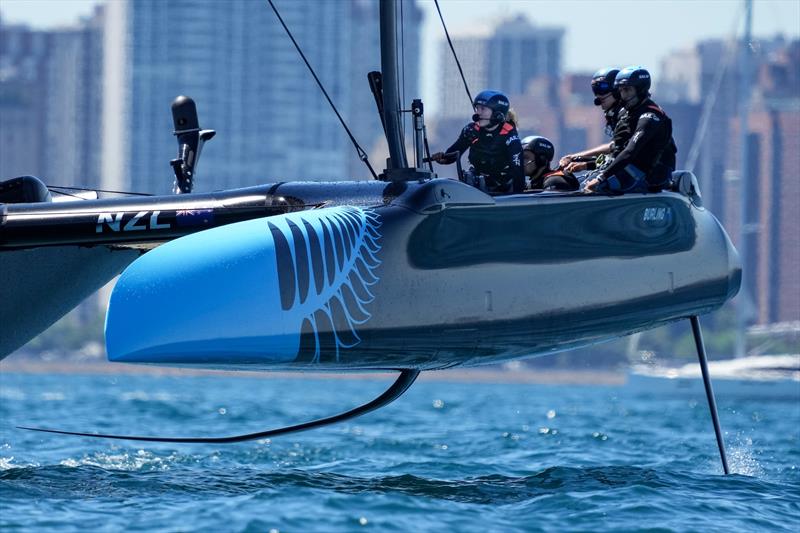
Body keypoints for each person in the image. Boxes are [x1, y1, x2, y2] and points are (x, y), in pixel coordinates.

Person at [584, 66, 677, 193]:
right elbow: (616, 154)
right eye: (621, 91)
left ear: (640, 90)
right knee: (581, 182)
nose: (624, 95)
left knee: (596, 187)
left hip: (651, 176)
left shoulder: (650, 116)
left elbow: (629, 152)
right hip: (630, 170)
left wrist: (601, 178)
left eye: (627, 90)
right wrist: (586, 164)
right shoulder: (627, 113)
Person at [430, 90, 524, 194]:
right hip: (477, 186)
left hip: (504, 191)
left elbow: (518, 174)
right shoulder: (471, 131)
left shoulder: (511, 138)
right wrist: (443, 158)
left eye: (483, 109)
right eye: (477, 108)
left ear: (498, 113)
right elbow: (452, 155)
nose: (478, 113)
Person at [558, 67, 628, 174]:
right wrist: (576, 157)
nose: (599, 100)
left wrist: (585, 165)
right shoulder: (617, 114)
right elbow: (614, 147)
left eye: (602, 99)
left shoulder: (626, 116)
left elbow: (620, 156)